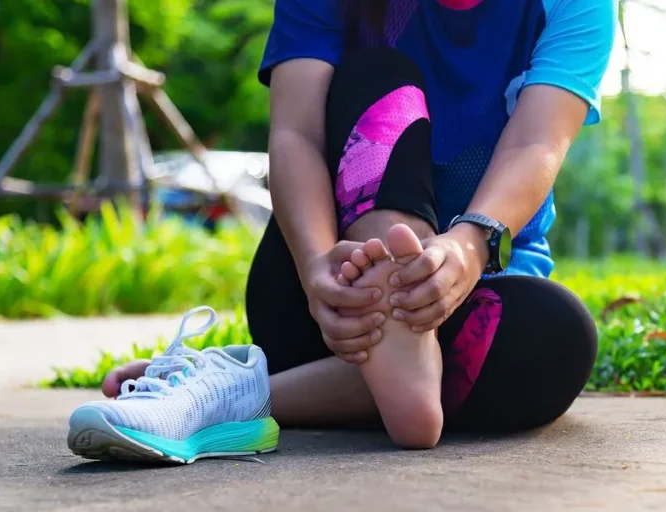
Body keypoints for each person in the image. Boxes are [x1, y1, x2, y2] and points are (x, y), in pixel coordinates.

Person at [94, 0, 615, 451]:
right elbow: (296, 134)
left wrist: (468, 246)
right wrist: (317, 266)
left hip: (475, 295)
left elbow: (538, 142)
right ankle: (397, 346)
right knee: (380, 75)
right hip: (326, 302)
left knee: (558, 337)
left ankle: (234, 390)